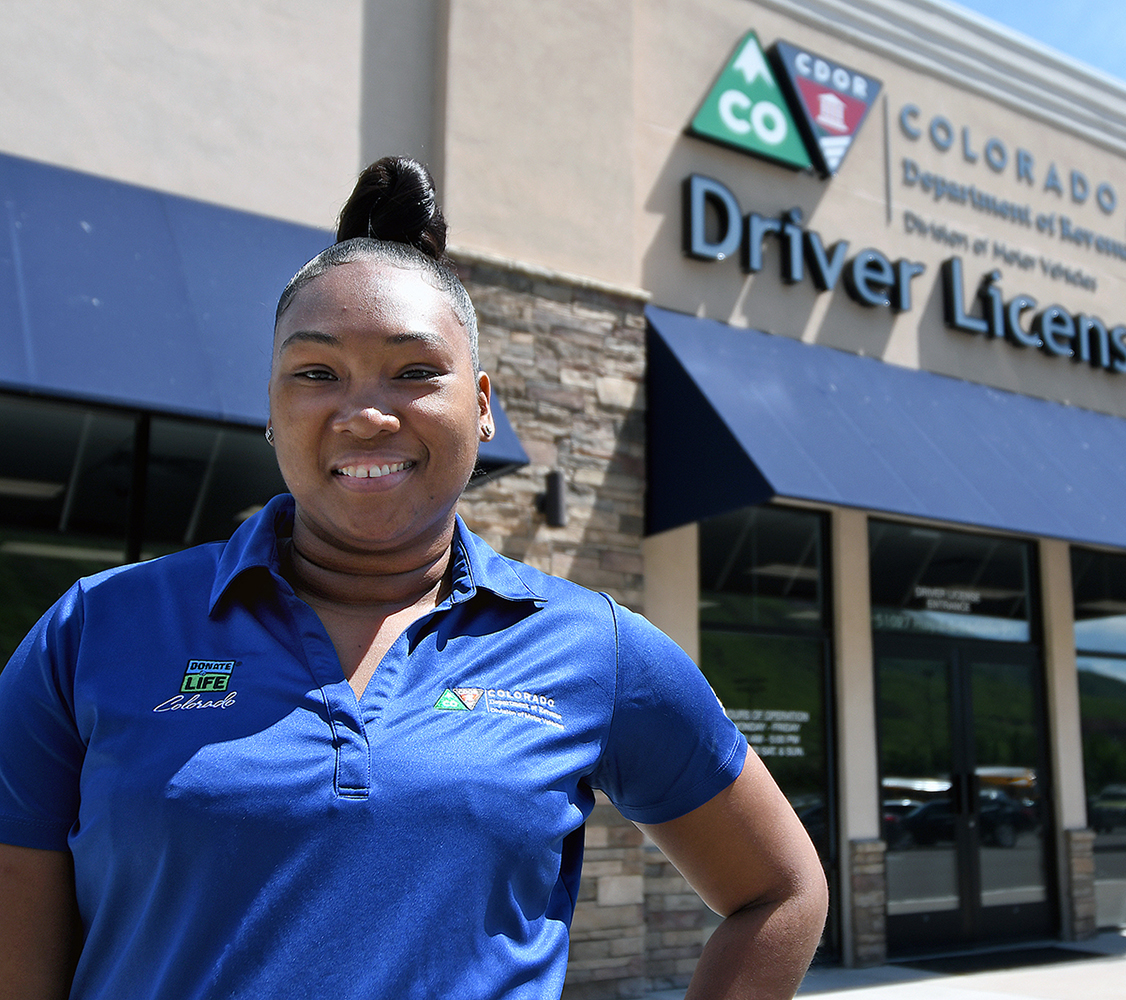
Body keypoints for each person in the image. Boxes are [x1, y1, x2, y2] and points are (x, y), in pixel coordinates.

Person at [0, 157, 827, 999]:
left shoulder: (593, 649)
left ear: (480, 404)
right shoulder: (95, 631)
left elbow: (781, 891)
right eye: (316, 373)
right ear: (272, 406)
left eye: (415, 371)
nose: (364, 414)